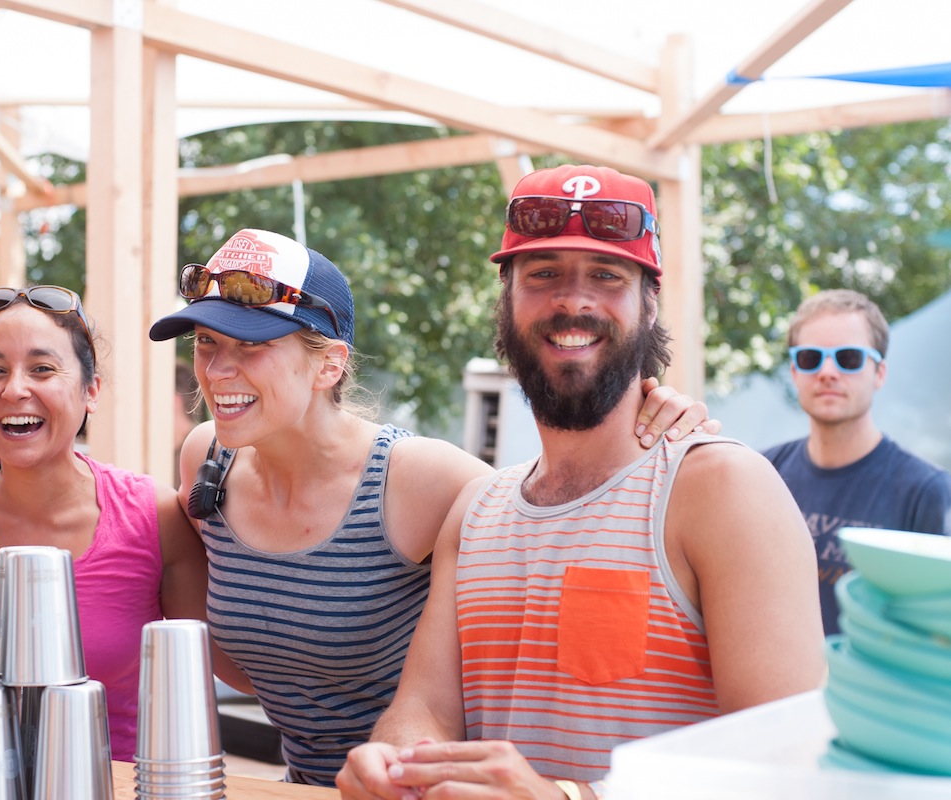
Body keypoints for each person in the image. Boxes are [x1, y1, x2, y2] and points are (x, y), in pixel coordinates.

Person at [147, 227, 719, 786]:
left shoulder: (420, 480)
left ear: (329, 364)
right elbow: (248, 661)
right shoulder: (207, 459)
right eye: (206, 342)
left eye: (251, 345)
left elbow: (559, 527)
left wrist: (648, 414)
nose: (216, 370)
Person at [336, 165, 825, 800]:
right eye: (543, 274)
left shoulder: (721, 488)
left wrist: (570, 797)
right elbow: (424, 706)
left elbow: (789, 766)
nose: (574, 301)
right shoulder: (475, 509)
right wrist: (397, 761)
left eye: (606, 276)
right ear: (506, 301)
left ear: (649, 304)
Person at [0, 285, 208, 762]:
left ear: (91, 391)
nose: (14, 389)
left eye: (42, 369)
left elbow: (204, 687)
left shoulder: (155, 516)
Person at [762, 289, 951, 635]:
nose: (827, 372)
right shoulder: (762, 474)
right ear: (794, 372)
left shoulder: (926, 491)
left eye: (848, 358)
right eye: (810, 358)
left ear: (879, 373)